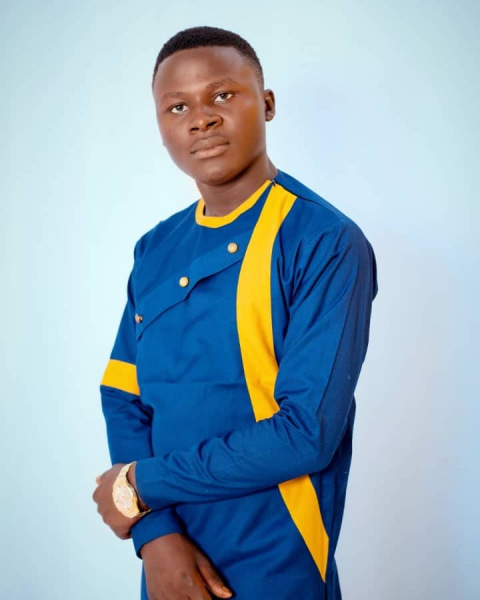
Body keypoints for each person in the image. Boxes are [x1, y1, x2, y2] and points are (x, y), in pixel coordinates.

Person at [93, 25, 378, 600]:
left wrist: (140, 486)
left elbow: (307, 434)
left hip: (278, 559)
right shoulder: (155, 248)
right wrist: (155, 536)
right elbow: (124, 396)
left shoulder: (324, 241)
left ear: (266, 103)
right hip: (169, 563)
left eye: (222, 95)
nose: (201, 119)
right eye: (178, 106)